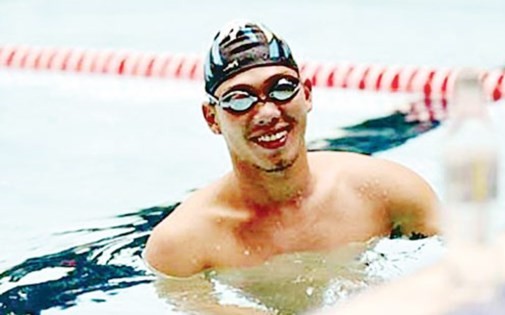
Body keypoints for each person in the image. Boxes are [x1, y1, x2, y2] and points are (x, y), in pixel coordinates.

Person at [144, 20, 439, 278]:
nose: (267, 112)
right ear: (213, 118)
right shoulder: (181, 245)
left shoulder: (390, 193)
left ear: (307, 94)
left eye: (282, 88)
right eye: (239, 99)